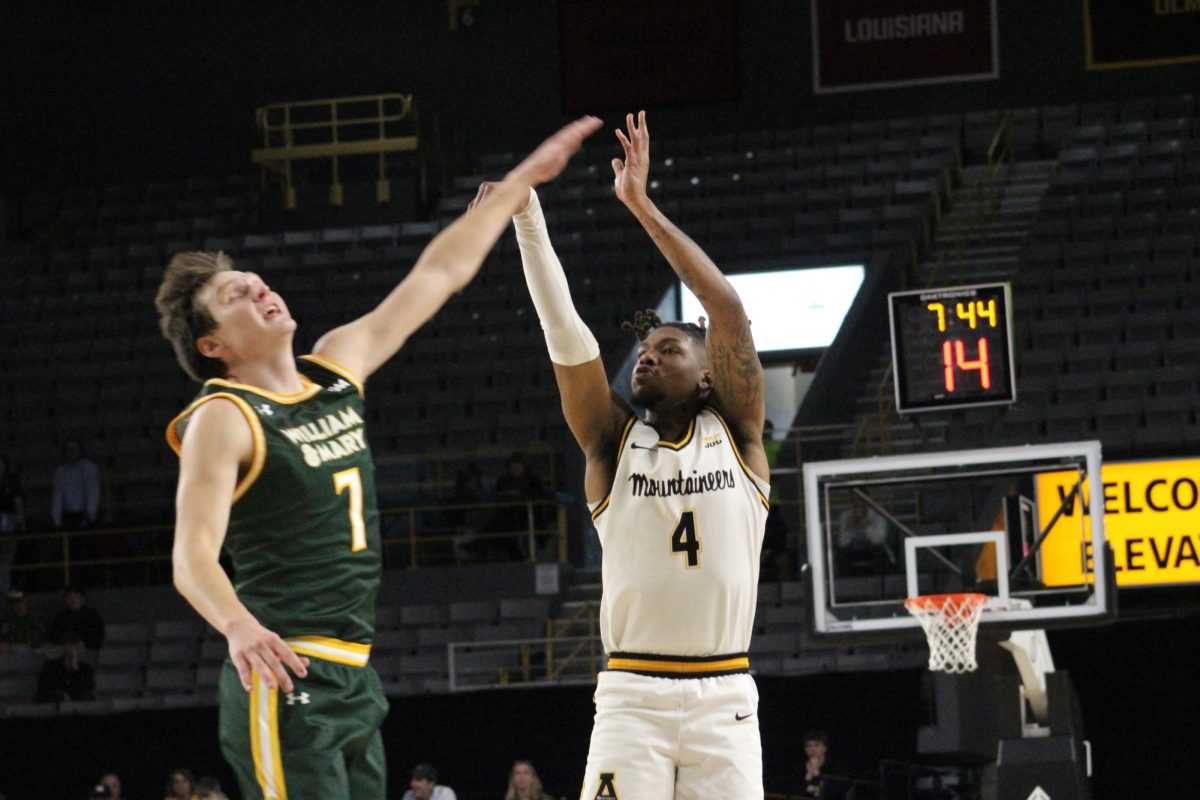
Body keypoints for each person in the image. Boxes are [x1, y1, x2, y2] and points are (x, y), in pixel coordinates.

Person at [157, 116, 600, 800]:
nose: (261, 291)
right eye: (236, 296)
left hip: (355, 676)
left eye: (257, 281)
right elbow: (191, 555)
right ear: (212, 345)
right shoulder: (225, 415)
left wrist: (521, 184)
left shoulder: (337, 365)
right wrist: (238, 626)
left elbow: (439, 274)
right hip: (287, 673)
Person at [480, 110, 771, 799]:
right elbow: (567, 335)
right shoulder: (614, 443)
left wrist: (640, 205)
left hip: (724, 699)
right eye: (642, 351)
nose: (647, 357)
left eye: (668, 348)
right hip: (632, 696)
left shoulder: (739, 434)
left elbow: (723, 305)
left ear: (708, 374)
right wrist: (529, 222)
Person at [51, 438, 101, 531]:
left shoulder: (90, 468)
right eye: (69, 449)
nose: (72, 452)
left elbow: (93, 493)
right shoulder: (61, 472)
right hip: (69, 517)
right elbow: (57, 497)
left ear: (80, 450)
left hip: (86, 516)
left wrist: (90, 516)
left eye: (75, 448)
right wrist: (57, 522)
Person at [836, 495, 894, 574]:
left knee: (879, 552)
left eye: (861, 503)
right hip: (854, 551)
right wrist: (848, 528)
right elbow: (842, 543)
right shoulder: (845, 516)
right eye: (856, 504)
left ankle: (881, 581)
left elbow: (878, 541)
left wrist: (866, 527)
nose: (858, 508)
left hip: (874, 551)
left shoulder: (878, 517)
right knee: (842, 554)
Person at [35, 631, 95, 702]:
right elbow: (43, 690)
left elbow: (86, 689)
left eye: (80, 648)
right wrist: (60, 695)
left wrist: (75, 668)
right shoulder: (50, 667)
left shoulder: (86, 669)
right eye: (77, 647)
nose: (80, 651)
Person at [47, 585, 105, 651]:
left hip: (87, 652)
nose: (72, 600)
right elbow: (54, 636)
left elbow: (98, 636)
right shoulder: (61, 617)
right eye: (69, 597)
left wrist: (84, 644)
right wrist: (65, 644)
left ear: (83, 598)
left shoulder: (92, 615)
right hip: (63, 651)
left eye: (76, 596)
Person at [0, 455, 26, 592]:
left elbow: (18, 501)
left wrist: (20, 520)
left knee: (6, 559)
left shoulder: (12, 482)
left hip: (9, 522)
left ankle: (4, 588)